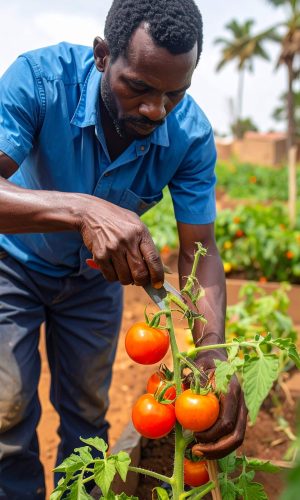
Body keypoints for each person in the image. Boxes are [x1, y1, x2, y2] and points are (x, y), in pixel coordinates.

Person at [0, 0, 247, 498]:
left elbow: (200, 249)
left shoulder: (190, 135)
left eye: (174, 94)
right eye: (138, 87)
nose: (155, 109)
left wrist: (212, 350)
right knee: (7, 410)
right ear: (101, 56)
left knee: (88, 414)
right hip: (13, 267)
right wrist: (84, 209)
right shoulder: (39, 80)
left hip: (95, 284)